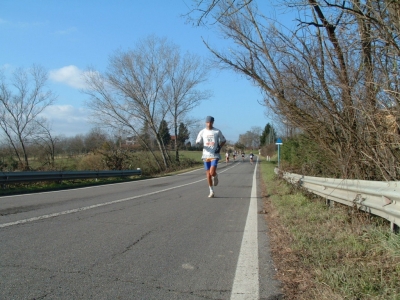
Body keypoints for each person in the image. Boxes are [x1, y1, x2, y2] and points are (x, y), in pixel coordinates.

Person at [196, 116, 226, 198]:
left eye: (210, 122)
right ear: (205, 123)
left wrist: (219, 147)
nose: (209, 124)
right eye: (207, 122)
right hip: (205, 155)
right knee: (208, 175)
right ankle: (211, 191)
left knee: (212, 172)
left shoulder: (217, 131)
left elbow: (223, 140)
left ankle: (215, 176)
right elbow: (198, 140)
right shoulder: (202, 132)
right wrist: (198, 142)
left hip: (214, 155)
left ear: (213, 122)